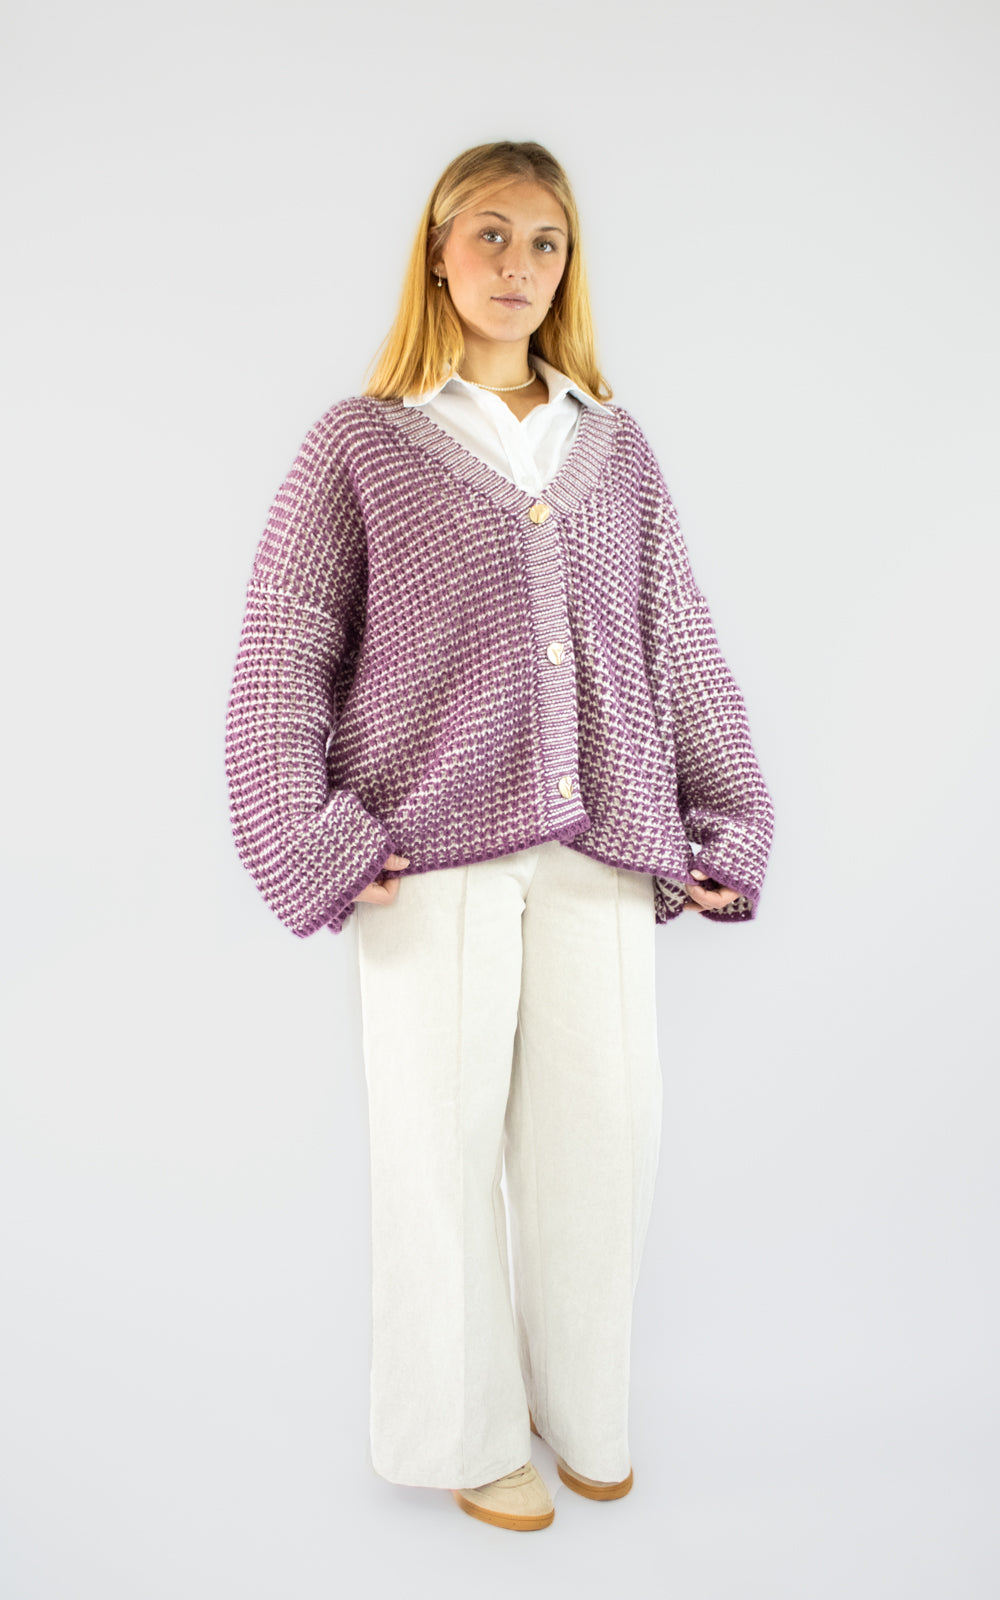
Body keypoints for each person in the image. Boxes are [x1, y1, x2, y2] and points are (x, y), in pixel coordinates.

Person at [224, 140, 775, 1532]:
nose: (517, 266)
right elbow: (285, 650)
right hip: (423, 854)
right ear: (437, 252)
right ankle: (463, 1433)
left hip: (605, 842)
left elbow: (676, 640)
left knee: (607, 1139)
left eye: (544, 242)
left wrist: (724, 815)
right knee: (439, 1151)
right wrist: (315, 835)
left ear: (567, 266)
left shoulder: (612, 444)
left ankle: (582, 1406)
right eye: (490, 234)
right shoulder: (362, 441)